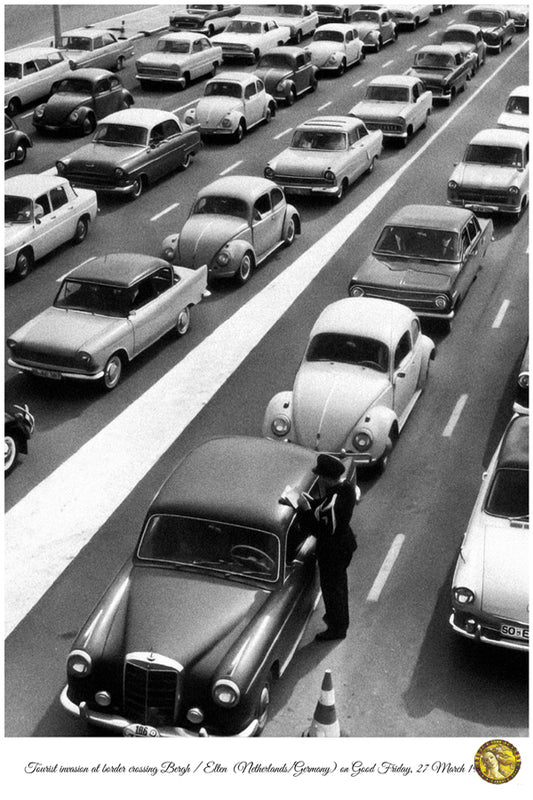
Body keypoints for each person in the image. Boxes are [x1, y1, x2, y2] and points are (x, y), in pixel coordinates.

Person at [298, 453, 359, 641]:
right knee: (338, 587)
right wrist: (314, 503)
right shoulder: (346, 488)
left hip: (333, 552)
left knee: (333, 591)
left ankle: (337, 628)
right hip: (343, 545)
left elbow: (321, 530)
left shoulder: (332, 502)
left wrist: (306, 510)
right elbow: (327, 504)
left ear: (325, 478)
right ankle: (338, 621)